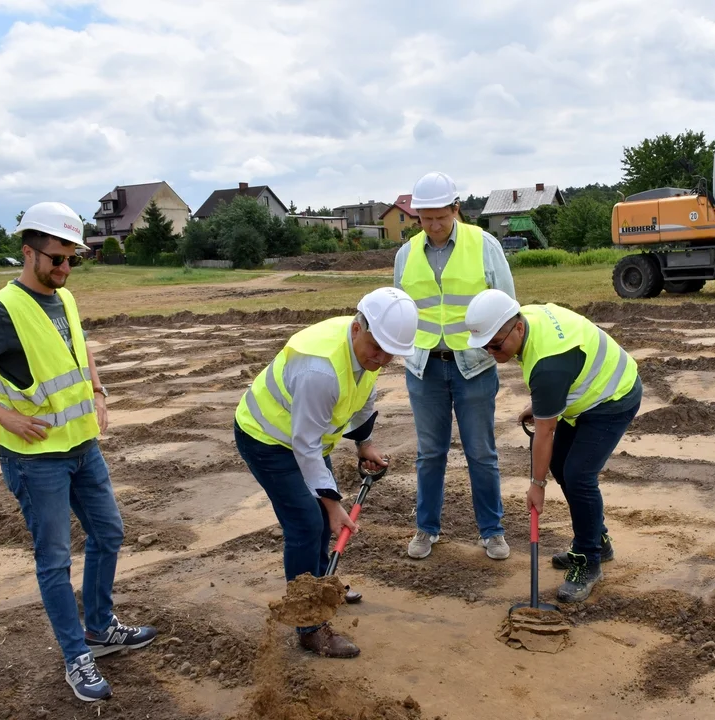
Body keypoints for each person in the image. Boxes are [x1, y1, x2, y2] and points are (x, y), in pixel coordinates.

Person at [0, 202, 157, 702]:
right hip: (35, 460)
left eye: (72, 258)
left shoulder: (64, 297)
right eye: (57, 258)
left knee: (108, 533)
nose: (66, 268)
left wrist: (98, 391)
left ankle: (99, 628)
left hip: (81, 446)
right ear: (29, 252)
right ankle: (77, 655)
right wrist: (3, 416)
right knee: (54, 559)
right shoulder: (1, 311)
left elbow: (80, 348)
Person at [233, 287, 418, 658]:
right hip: (267, 438)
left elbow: (363, 400)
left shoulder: (366, 355)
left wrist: (364, 445)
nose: (382, 359)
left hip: (307, 439)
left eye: (391, 353)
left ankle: (321, 583)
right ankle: (309, 623)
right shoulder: (320, 369)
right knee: (307, 522)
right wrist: (334, 506)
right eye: (377, 347)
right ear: (356, 328)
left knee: (318, 514)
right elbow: (304, 446)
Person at [464, 289, 643, 602]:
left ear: (517, 327)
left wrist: (537, 485)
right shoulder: (527, 322)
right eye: (485, 347)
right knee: (561, 465)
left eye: (496, 344)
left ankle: (589, 560)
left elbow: (545, 432)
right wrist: (546, 404)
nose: (492, 352)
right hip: (586, 393)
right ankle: (598, 539)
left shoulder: (548, 365)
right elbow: (557, 384)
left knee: (578, 475)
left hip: (614, 397)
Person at [393, 172, 516, 561]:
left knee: (481, 453)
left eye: (440, 217)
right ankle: (426, 529)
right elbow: (400, 309)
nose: (433, 226)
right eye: (425, 218)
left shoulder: (485, 244)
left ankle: (492, 531)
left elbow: (507, 305)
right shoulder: (406, 254)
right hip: (425, 366)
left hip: (474, 366)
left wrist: (501, 349)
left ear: (455, 209)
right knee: (430, 454)